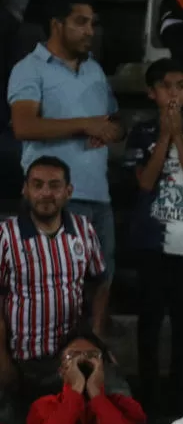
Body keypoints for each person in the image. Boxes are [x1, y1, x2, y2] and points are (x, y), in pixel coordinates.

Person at [125, 58, 183, 410]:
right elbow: (145, 182)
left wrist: (179, 136)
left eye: (181, 86)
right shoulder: (141, 131)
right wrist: (164, 135)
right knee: (148, 325)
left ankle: (179, 398)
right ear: (152, 92)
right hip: (150, 242)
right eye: (167, 86)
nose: (175, 93)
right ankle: (146, 399)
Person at [7, 0, 120, 280]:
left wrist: (109, 130)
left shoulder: (94, 69)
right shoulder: (30, 68)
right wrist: (85, 125)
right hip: (54, 197)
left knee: (102, 279)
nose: (90, 31)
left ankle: (95, 328)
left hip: (99, 196)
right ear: (57, 25)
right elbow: (23, 126)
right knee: (54, 283)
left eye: (92, 23)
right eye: (80, 22)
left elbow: (114, 121)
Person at [0, 158, 108, 392]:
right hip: (22, 359)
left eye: (54, 185)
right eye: (37, 185)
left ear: (68, 191)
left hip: (72, 358)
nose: (46, 193)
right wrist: (1, 357)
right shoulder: (6, 235)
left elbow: (100, 281)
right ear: (25, 190)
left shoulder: (83, 229)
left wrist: (97, 333)